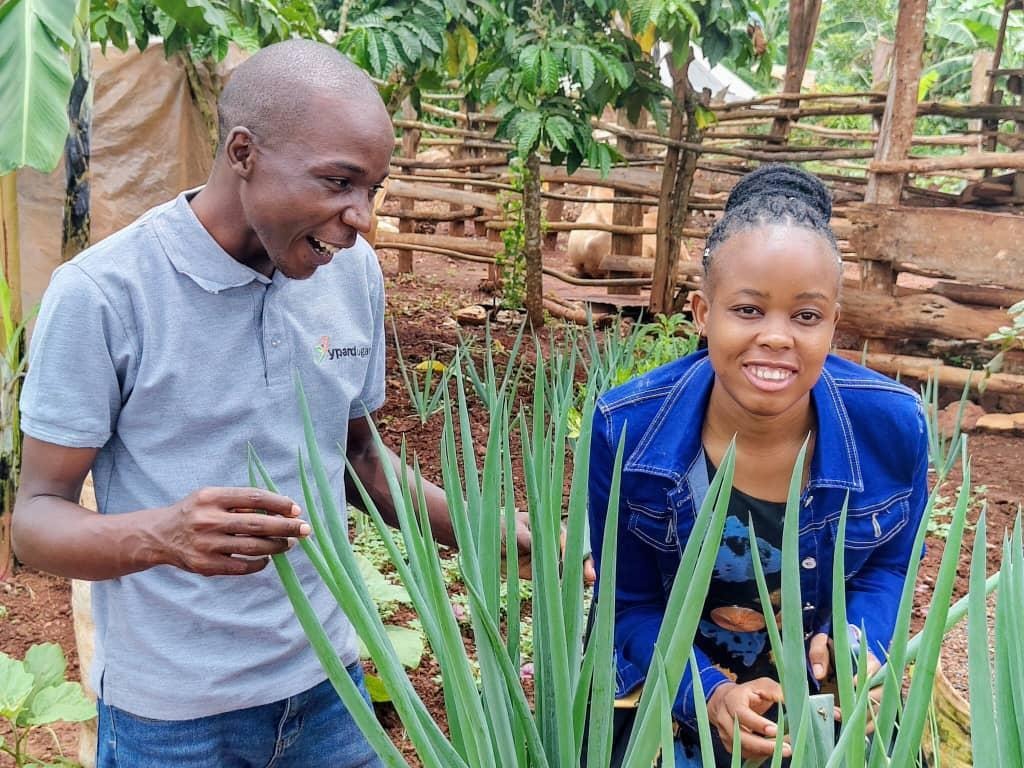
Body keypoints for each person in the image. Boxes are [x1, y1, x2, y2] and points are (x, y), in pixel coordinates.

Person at [13, 39, 527, 768]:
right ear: (244, 153)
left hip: (331, 687)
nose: (363, 218)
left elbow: (358, 460)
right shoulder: (106, 294)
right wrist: (165, 535)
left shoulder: (351, 273)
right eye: (339, 182)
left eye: (372, 189)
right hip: (175, 718)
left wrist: (497, 534)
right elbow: (35, 522)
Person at [587, 165, 930, 765]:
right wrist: (708, 694)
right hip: (674, 689)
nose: (776, 337)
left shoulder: (892, 426)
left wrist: (857, 642)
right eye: (748, 310)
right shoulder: (629, 430)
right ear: (703, 312)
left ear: (833, 323)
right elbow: (627, 605)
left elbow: (890, 567)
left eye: (806, 316)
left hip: (825, 707)